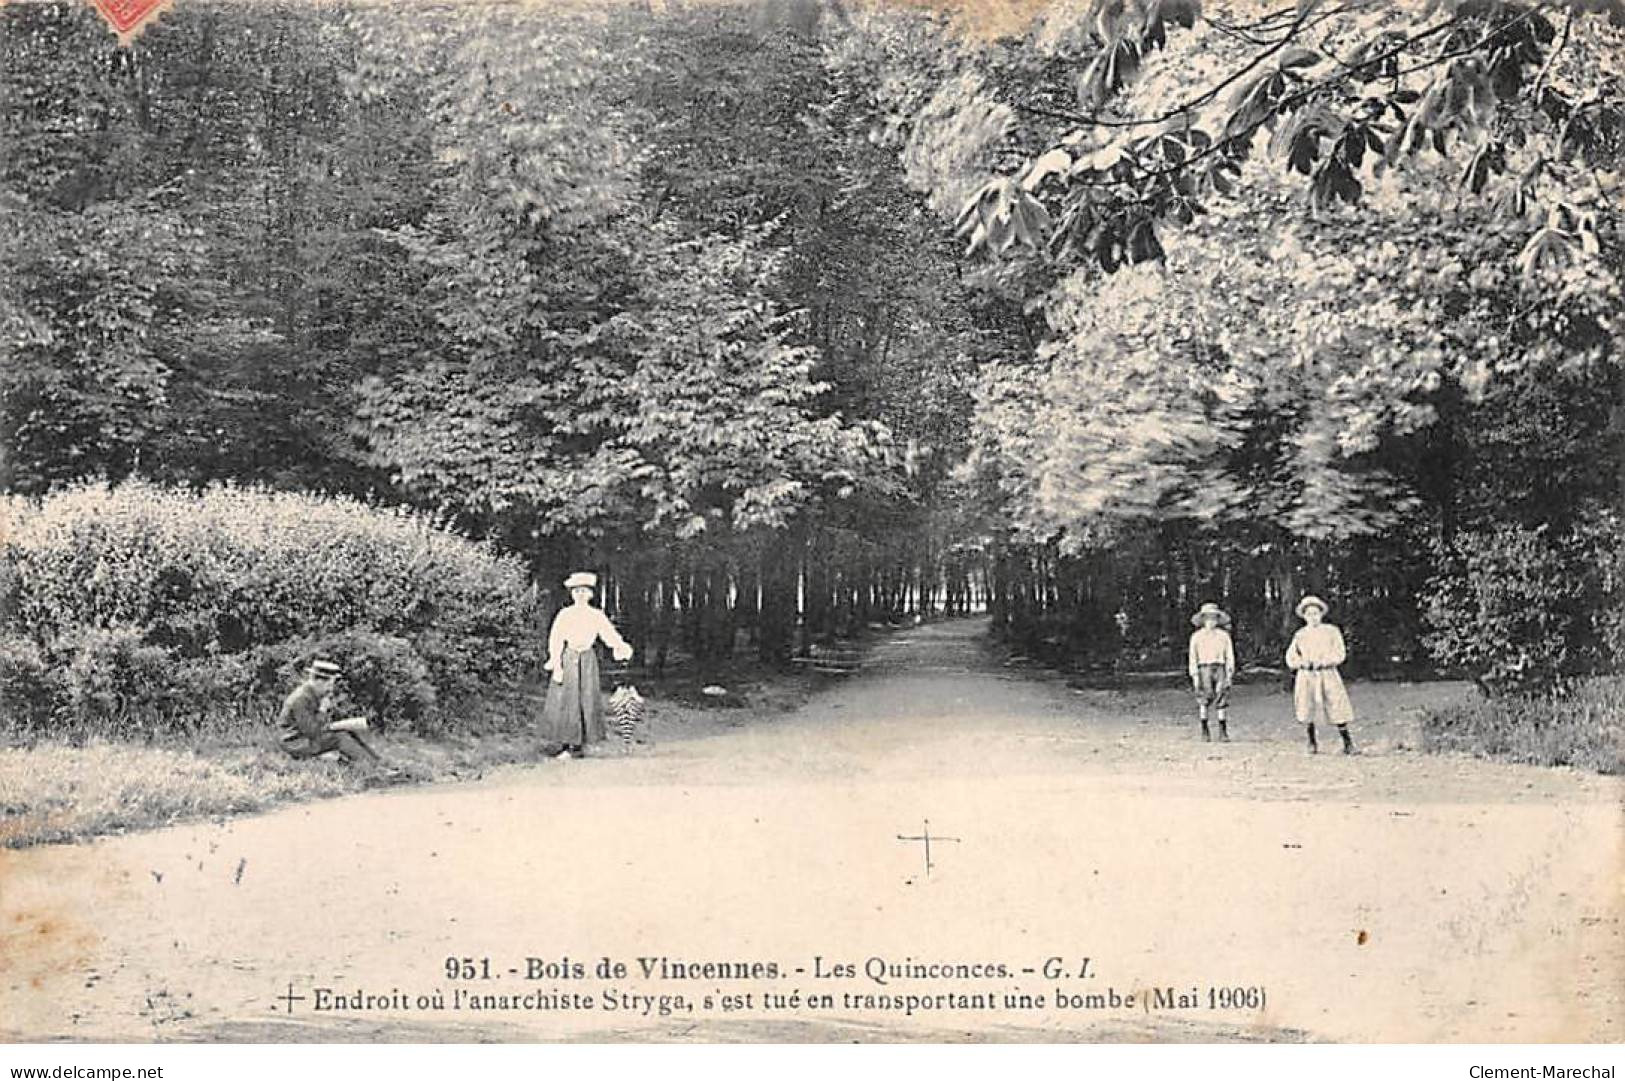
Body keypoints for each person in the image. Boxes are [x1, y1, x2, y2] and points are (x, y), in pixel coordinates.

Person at [540, 571, 634, 759]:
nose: (580, 595)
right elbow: (556, 638)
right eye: (576, 591)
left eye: (584, 591)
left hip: (588, 659)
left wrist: (620, 647)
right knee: (566, 699)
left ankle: (581, 744)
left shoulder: (595, 615)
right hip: (569, 657)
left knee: (587, 698)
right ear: (572, 594)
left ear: (590, 594)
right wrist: (556, 661)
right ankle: (565, 743)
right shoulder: (565, 614)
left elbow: (608, 634)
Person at [277, 659, 388, 769]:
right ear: (318, 681)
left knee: (347, 732)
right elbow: (312, 732)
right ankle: (375, 767)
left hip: (303, 738)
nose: (330, 689)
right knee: (340, 738)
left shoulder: (311, 694)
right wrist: (323, 711)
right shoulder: (300, 699)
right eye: (329, 685)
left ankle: (379, 762)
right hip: (294, 742)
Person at [1286, 595, 1355, 754]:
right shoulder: (1300, 635)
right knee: (1307, 705)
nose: (1313, 617)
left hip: (1327, 673)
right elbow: (1291, 656)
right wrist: (1301, 663)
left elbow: (1340, 653)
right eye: (1309, 614)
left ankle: (1347, 742)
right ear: (1304, 616)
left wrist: (1325, 661)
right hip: (1307, 675)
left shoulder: (1331, 631)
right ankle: (1311, 742)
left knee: (1337, 704)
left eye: (1316, 613)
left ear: (1321, 614)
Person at [1188, 601, 1236, 742]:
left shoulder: (1223, 636)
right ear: (1203, 620)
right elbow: (1193, 657)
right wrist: (1195, 675)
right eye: (1208, 618)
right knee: (1204, 698)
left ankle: (1223, 730)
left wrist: (1229, 672)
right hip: (1204, 668)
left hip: (1219, 667)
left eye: (1214, 618)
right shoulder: (1196, 637)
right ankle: (1205, 729)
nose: (1211, 622)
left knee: (1222, 696)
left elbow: (1229, 655)